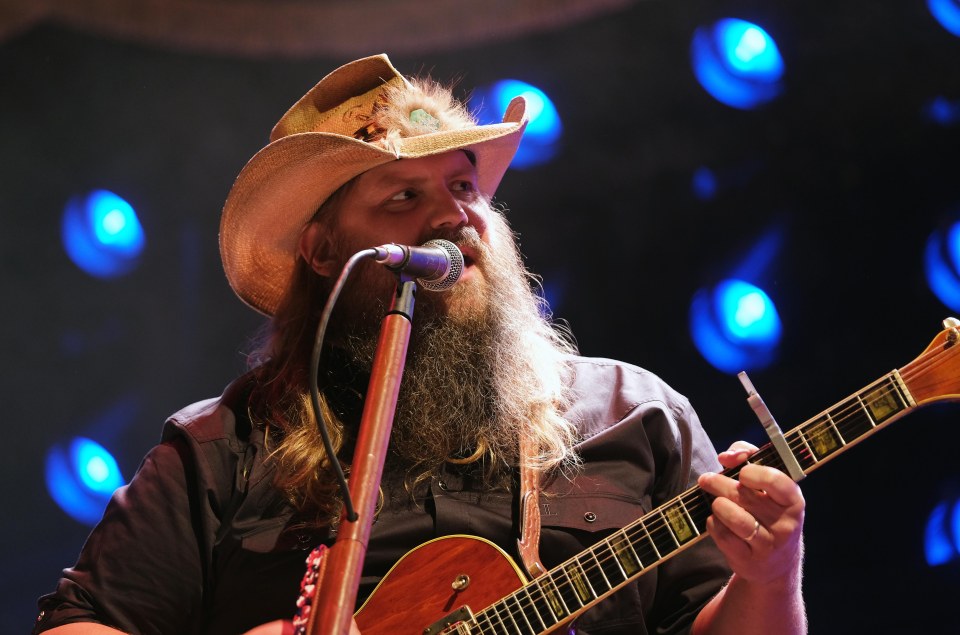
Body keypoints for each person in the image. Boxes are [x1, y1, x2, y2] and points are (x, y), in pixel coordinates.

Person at [34, 54, 806, 635]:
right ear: (326, 252)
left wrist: (770, 576)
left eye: (464, 187)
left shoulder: (636, 414)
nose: (454, 216)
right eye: (405, 195)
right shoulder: (222, 447)